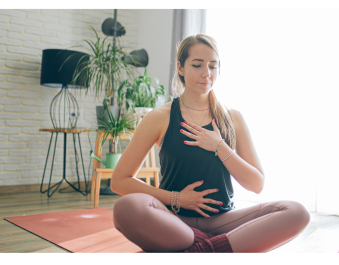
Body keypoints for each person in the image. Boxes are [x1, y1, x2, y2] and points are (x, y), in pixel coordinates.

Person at [110, 34, 310, 253]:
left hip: (223, 220)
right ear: (181, 67)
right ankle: (218, 248)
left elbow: (256, 184)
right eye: (197, 65)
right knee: (125, 208)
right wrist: (178, 198)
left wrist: (219, 147)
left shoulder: (233, 118)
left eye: (213, 66)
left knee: (296, 212)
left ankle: (198, 250)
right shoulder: (160, 117)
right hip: (173, 220)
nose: (207, 74)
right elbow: (119, 181)